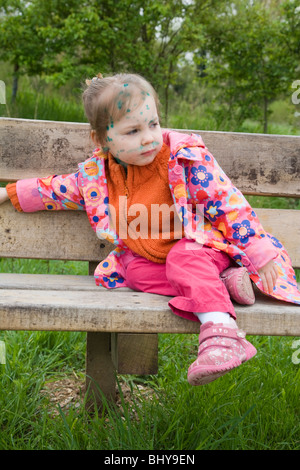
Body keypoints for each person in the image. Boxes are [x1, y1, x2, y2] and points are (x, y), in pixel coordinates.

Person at [1, 72, 299, 386]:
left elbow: (228, 204)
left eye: (153, 125)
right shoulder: (98, 176)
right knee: (132, 272)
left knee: (184, 258)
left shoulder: (183, 161)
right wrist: (9, 193)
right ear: (101, 140)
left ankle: (223, 335)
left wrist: (260, 252)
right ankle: (222, 287)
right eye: (133, 130)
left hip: (202, 251)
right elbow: (56, 190)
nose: (148, 138)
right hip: (153, 263)